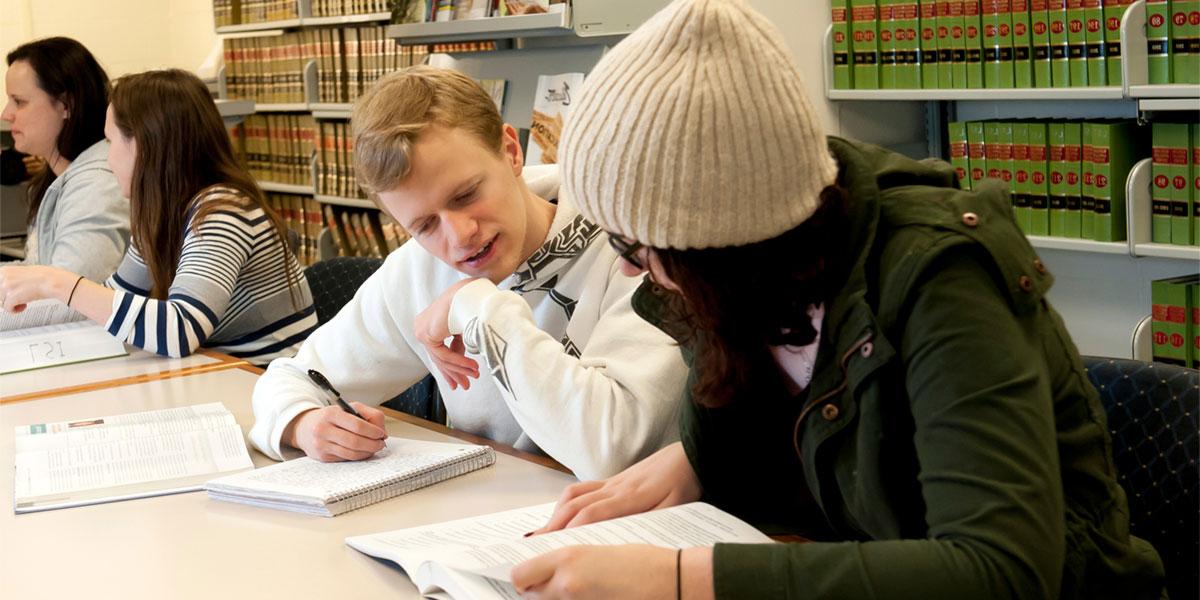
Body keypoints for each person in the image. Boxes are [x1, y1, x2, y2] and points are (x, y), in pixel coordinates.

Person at [509, 1, 1166, 599]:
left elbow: (1000, 569)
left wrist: (679, 578)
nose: (628, 272)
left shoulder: (941, 280)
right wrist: (693, 460)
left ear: (719, 243)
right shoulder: (748, 276)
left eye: (634, 245)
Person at [248, 66, 687, 480]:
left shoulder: (634, 247)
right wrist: (303, 424)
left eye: (466, 194)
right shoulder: (417, 270)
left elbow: (611, 450)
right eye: (424, 225)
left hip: (628, 531)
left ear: (511, 152)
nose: (459, 237)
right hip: (488, 516)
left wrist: (474, 305)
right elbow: (293, 378)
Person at [0, 69, 317, 365]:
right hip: (218, 374)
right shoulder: (164, 212)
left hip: (265, 387)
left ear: (145, 145)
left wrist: (58, 283)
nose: (107, 159)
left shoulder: (222, 211)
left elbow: (180, 330)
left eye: (111, 142)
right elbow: (115, 298)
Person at [1, 37, 128, 283]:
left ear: (66, 104)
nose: (6, 114)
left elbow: (68, 290)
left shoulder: (96, 186)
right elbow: (39, 269)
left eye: (19, 102)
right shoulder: (62, 178)